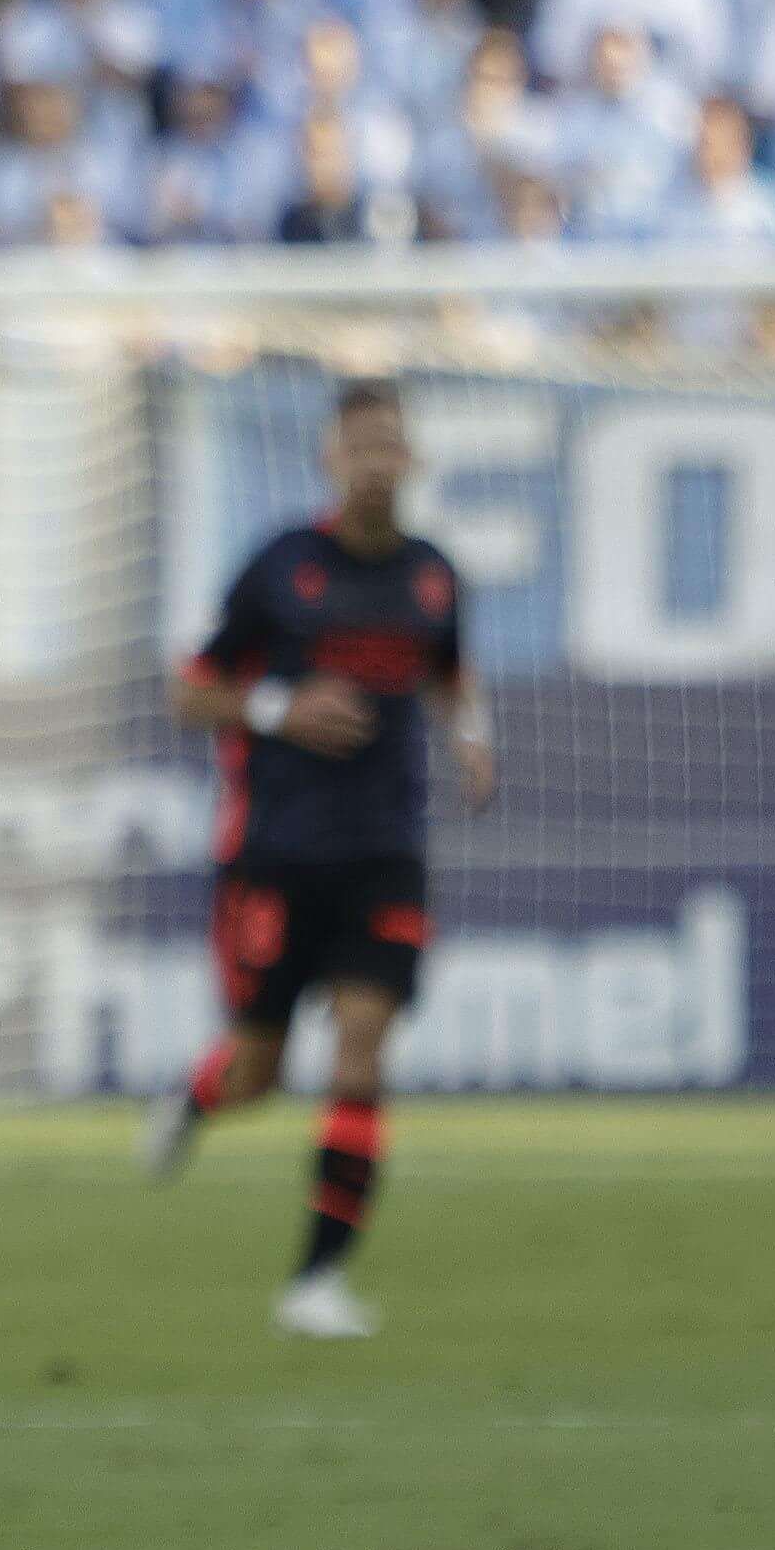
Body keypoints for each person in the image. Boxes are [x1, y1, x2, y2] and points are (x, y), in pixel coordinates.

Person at [142, 380, 496, 1338]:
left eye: (390, 444)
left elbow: (452, 676)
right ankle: (195, 1098)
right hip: (276, 853)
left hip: (384, 852)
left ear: (411, 460)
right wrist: (277, 708)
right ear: (329, 461)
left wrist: (471, 739)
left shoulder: (432, 576)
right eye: (359, 446)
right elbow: (190, 693)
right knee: (257, 1070)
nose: (376, 462)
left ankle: (315, 1281)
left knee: (360, 1047)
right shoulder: (281, 567)